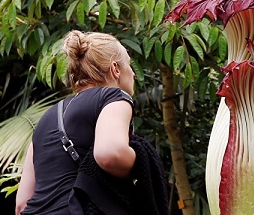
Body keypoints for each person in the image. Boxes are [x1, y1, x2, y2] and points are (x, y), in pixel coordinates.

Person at [15, 31, 168, 215]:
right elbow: (110, 153)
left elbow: (22, 203)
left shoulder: (45, 119)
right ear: (115, 69)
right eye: (129, 63)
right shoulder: (114, 97)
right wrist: (145, 164)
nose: (133, 73)